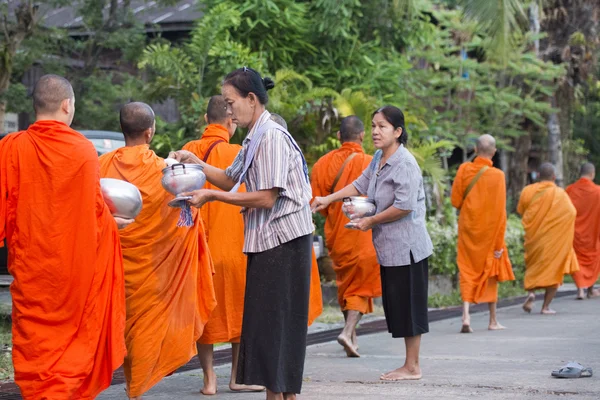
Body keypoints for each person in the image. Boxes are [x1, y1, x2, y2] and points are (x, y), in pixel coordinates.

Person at [171, 67, 313, 400]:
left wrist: (211, 196)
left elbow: (266, 196)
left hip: (285, 241)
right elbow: (229, 178)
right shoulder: (253, 136)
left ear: (251, 99)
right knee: (265, 325)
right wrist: (196, 163)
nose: (229, 111)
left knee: (277, 325)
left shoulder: (272, 136)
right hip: (267, 241)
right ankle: (277, 395)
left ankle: (281, 395)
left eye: (232, 102)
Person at [0, 74, 130, 399]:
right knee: (72, 361)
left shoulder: (10, 148)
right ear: (66, 105)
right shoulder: (83, 150)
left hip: (32, 276)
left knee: (38, 363)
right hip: (73, 279)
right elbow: (95, 217)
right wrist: (117, 226)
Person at [99, 102, 217, 398]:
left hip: (115, 266)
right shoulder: (166, 172)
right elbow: (184, 218)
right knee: (145, 328)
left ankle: (132, 384)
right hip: (153, 270)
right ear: (150, 132)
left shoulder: (101, 166)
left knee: (123, 322)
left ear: (122, 129)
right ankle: (135, 387)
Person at [312, 105, 433, 381]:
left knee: (410, 307)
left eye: (383, 127)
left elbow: (404, 206)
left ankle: (412, 367)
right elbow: (359, 184)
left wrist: (370, 221)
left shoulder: (405, 163)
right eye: (374, 126)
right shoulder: (378, 157)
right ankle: (409, 364)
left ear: (398, 132)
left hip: (408, 248)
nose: (376, 132)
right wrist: (328, 199)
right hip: (389, 248)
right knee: (398, 307)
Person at [182, 96, 264, 395]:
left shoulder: (189, 152)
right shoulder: (241, 153)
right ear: (231, 122)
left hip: (199, 250)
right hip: (236, 247)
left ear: (206, 119)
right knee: (239, 311)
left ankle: (208, 380)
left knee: (206, 311)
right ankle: (236, 377)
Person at [311, 115, 381, 357]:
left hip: (336, 235)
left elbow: (315, 203)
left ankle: (352, 336)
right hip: (363, 233)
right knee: (360, 286)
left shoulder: (322, 164)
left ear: (339, 136)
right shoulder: (372, 163)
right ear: (362, 136)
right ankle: (347, 330)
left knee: (346, 285)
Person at [450, 134, 515, 333]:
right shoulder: (498, 176)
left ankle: (466, 314)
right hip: (490, 233)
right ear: (494, 152)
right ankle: (492, 320)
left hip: (469, 229)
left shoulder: (464, 169)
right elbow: (501, 212)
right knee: (490, 271)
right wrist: (498, 245)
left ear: (475, 150)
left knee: (467, 269)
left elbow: (455, 201)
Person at [267, 112, 323, 326]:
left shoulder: (282, 152)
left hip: (289, 234)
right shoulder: (254, 152)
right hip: (287, 233)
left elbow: (267, 198)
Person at [518, 163, 579, 314]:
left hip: (534, 239)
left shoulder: (527, 190)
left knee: (533, 267)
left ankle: (531, 294)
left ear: (538, 176)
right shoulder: (559, 193)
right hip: (553, 240)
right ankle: (545, 307)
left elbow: (521, 210)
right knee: (554, 270)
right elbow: (571, 213)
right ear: (554, 177)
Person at [566, 163, 600, 299]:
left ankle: (581, 290)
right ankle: (591, 289)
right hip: (593, 233)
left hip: (575, 233)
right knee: (593, 259)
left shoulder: (570, 190)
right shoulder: (598, 191)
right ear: (592, 174)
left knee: (577, 260)